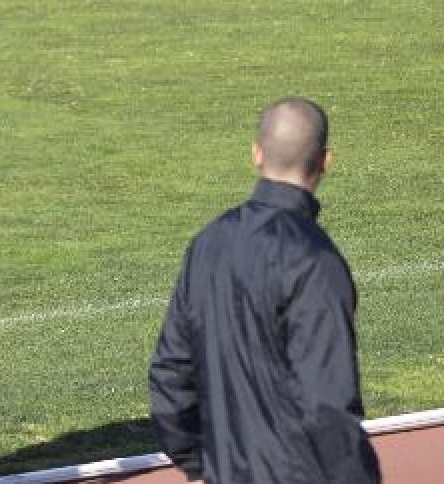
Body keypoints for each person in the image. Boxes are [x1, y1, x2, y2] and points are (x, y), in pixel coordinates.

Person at [148, 97, 381, 484]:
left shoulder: (208, 244)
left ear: (257, 154)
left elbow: (171, 375)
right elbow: (328, 405)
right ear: (325, 160)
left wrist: (205, 465)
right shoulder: (315, 261)